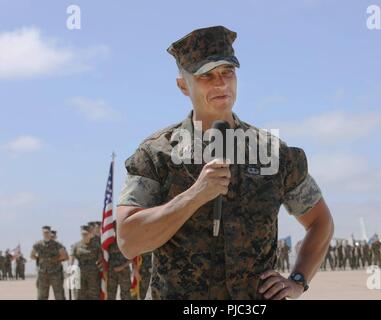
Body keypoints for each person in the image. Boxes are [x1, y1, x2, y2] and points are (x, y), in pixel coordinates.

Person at [116, 25, 334, 300]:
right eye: (206, 76)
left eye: (227, 73)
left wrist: (298, 279)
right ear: (183, 85)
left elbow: (320, 222)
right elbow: (128, 241)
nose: (221, 84)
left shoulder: (272, 153)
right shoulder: (157, 154)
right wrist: (194, 196)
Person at [30, 226, 68, 300]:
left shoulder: (57, 244)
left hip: (55, 272)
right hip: (43, 273)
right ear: (42, 233)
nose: (46, 234)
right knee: (42, 295)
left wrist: (55, 259)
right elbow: (32, 255)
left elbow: (65, 256)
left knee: (59, 295)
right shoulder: (38, 244)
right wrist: (40, 259)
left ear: (50, 233)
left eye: (47, 232)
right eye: (44, 232)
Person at [70, 225, 102, 300]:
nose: (84, 235)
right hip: (80, 273)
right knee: (79, 295)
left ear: (90, 234)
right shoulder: (76, 245)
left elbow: (100, 259)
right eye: (83, 234)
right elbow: (72, 256)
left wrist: (101, 269)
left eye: (86, 234)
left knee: (93, 295)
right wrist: (70, 267)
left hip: (93, 274)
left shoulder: (96, 245)